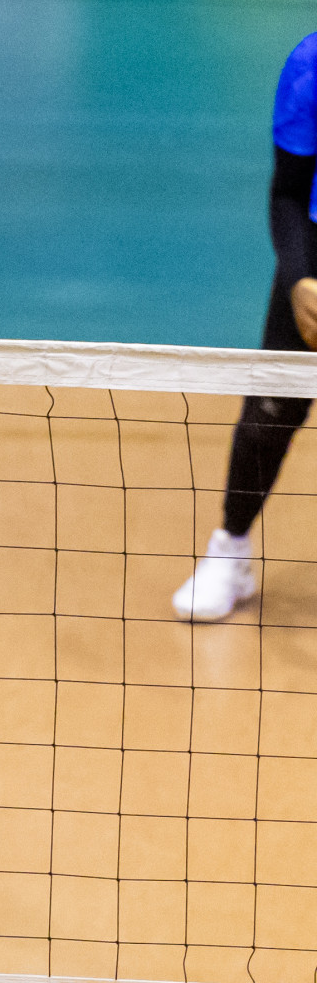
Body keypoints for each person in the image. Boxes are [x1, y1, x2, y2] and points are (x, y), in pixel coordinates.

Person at [174, 32, 317, 620]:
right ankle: (229, 551)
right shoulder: (311, 66)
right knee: (268, 416)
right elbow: (287, 193)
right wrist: (300, 280)